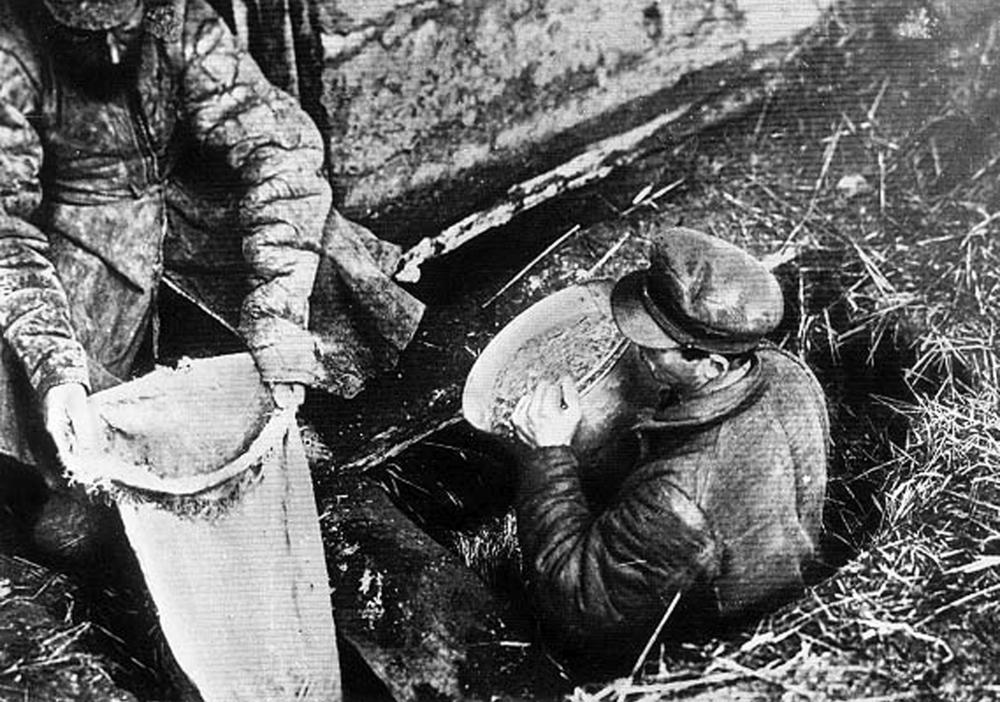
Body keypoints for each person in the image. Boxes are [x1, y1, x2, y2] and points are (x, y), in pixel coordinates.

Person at [0, 0, 331, 560]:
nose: (109, 48)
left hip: (187, 200)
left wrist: (277, 318)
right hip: (84, 227)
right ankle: (101, 480)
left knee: (325, 257)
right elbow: (6, 231)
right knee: (53, 379)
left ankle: (289, 416)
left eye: (121, 28)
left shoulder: (177, 23)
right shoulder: (11, 51)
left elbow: (283, 152)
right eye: (87, 35)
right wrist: (58, 375)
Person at [511, 227, 829, 656]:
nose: (639, 349)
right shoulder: (784, 372)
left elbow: (575, 598)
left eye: (656, 346)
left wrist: (548, 456)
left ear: (712, 366)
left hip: (713, 641)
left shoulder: (677, 498)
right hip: (768, 563)